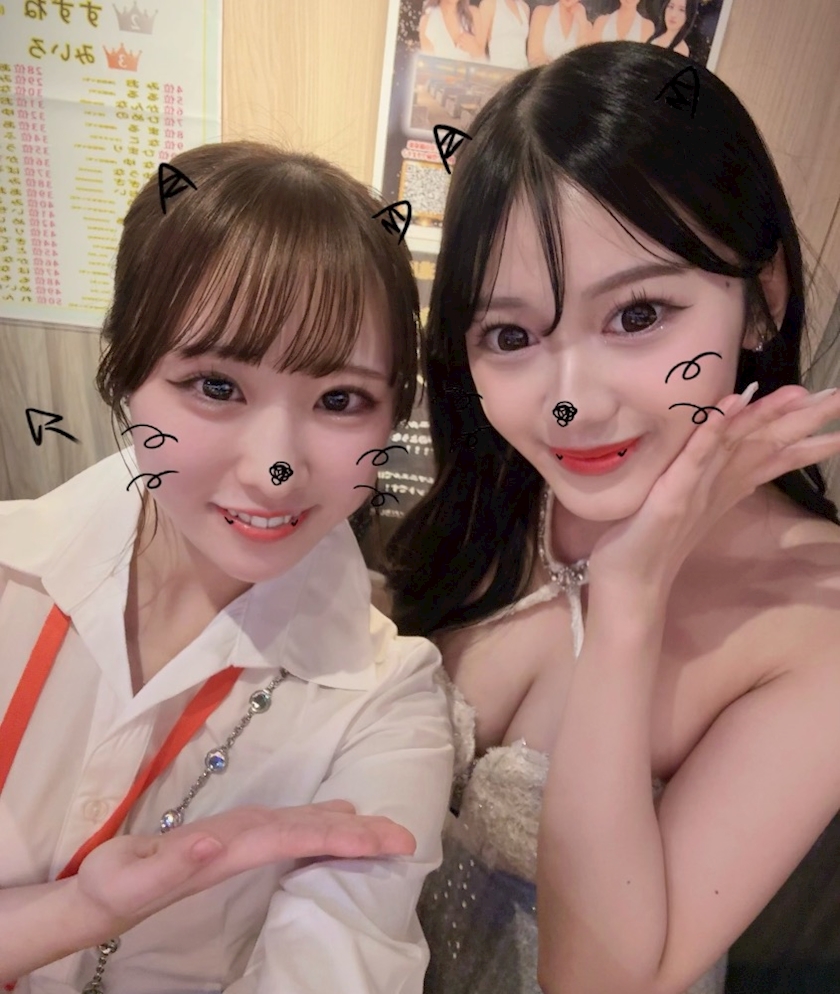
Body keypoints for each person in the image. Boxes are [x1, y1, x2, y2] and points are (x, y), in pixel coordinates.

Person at [384, 42, 840, 994]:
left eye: (637, 316)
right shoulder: (508, 492)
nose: (570, 404)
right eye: (511, 334)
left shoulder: (819, 615)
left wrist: (631, 598)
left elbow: (598, 981)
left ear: (761, 302)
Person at [0, 141, 454, 994]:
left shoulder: (387, 705)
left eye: (341, 400)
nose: (274, 469)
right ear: (124, 368)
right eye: (215, 386)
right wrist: (76, 912)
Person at [528, 0, 592, 66]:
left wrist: (582, 24)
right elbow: (534, 57)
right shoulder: (542, 13)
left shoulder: (587, 26)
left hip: (572, 72)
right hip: (544, 71)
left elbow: (583, 62)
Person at [419, 0, 485, 61]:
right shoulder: (427, 21)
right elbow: (429, 65)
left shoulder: (473, 14)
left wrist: (475, 49)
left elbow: (483, 59)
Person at [477, 0, 531, 70]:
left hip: (522, 69)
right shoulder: (489, 4)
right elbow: (480, 48)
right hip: (500, 68)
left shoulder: (524, 7)